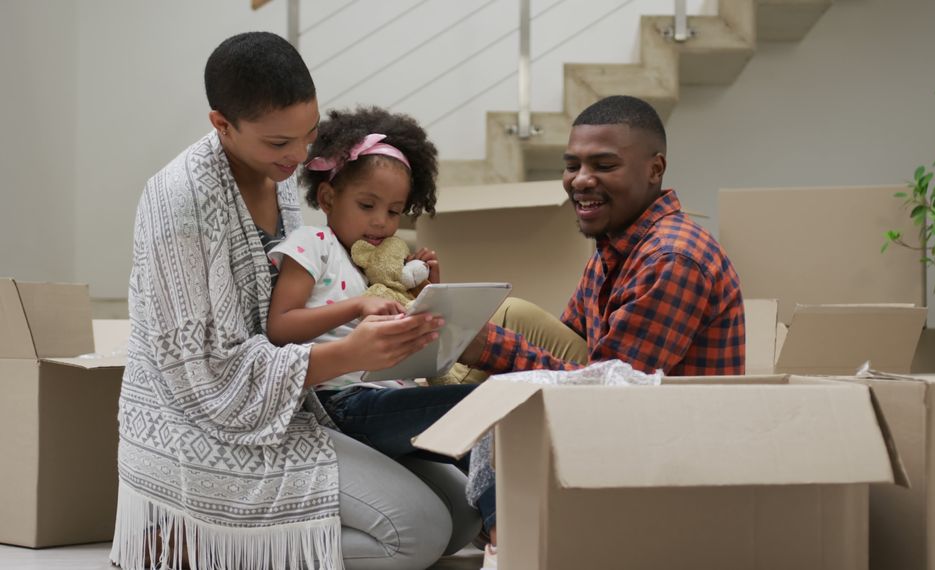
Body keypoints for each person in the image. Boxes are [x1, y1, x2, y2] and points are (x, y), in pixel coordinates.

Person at [111, 32, 470, 570]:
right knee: (416, 533)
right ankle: (194, 547)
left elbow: (300, 297)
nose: (299, 157)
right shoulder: (178, 203)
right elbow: (206, 377)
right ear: (222, 125)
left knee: (461, 512)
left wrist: (393, 303)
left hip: (289, 400)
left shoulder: (275, 174)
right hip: (201, 428)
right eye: (280, 144)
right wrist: (353, 352)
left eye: (309, 135)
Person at [264, 106, 496, 564]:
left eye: (394, 212)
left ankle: (488, 518)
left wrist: (428, 298)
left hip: (382, 396)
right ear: (328, 198)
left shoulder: (375, 266)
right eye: (367, 206)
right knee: (479, 406)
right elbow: (279, 325)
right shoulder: (316, 246)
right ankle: (505, 530)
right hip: (342, 403)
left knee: (461, 508)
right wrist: (357, 305)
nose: (381, 224)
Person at [460, 95, 746, 377]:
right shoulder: (613, 247)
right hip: (617, 409)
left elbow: (611, 389)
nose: (581, 180)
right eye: (572, 166)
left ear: (655, 169)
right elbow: (568, 346)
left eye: (605, 166)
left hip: (660, 420)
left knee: (499, 334)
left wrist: (489, 347)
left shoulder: (671, 258)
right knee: (511, 317)